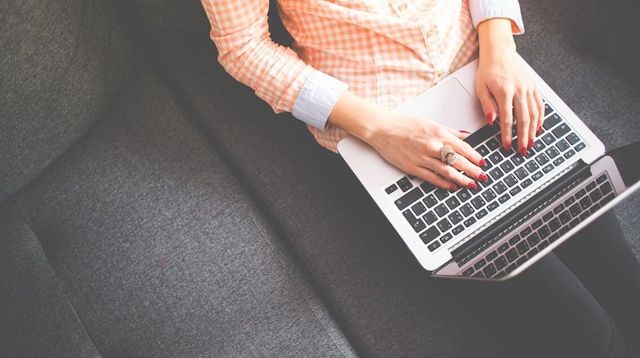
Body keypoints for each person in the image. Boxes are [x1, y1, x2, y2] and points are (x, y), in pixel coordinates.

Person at [201, 1, 640, 356]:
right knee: (586, 334)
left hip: (487, 75)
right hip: (389, 131)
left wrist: (500, 47)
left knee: (623, 279)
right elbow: (245, 47)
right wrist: (380, 129)